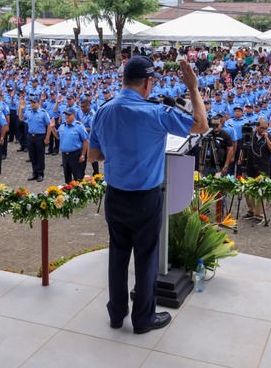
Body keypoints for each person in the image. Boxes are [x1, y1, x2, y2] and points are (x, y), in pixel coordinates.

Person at [88, 56, 207, 335]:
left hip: (115, 197)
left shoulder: (103, 110)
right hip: (144, 199)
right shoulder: (155, 113)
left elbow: (93, 155)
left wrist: (119, 151)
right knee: (146, 259)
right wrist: (193, 87)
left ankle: (116, 315)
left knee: (117, 257)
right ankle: (143, 319)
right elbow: (201, 125)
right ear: (148, 83)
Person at [244, 116, 271, 221]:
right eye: (262, 128)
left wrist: (266, 138)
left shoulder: (270, 137)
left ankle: (259, 214)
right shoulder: (251, 135)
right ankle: (251, 211)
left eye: (265, 128)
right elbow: (243, 147)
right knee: (248, 192)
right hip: (250, 167)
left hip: (263, 167)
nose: (263, 130)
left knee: (260, 192)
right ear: (257, 126)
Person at [53, 107, 89, 183]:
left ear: (74, 116)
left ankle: (79, 193)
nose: (66, 116)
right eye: (65, 115)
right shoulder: (62, 125)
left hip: (75, 155)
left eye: (69, 115)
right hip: (65, 155)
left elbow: (85, 141)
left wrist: (83, 155)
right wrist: (52, 127)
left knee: (78, 177)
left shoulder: (79, 126)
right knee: (67, 177)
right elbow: (57, 136)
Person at [23, 96, 52, 182]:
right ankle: (34, 172)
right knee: (32, 155)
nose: (32, 104)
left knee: (40, 156)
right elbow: (21, 118)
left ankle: (40, 173)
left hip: (40, 136)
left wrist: (47, 137)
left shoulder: (43, 113)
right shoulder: (29, 112)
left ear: (39, 103)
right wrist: (21, 109)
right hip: (30, 136)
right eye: (31, 103)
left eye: (34, 103)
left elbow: (49, 125)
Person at [199, 112, 234, 177]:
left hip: (219, 166)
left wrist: (226, 166)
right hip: (207, 165)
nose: (214, 127)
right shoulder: (207, 134)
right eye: (213, 124)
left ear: (221, 124)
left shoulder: (225, 135)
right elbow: (202, 148)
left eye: (216, 124)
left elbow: (230, 150)